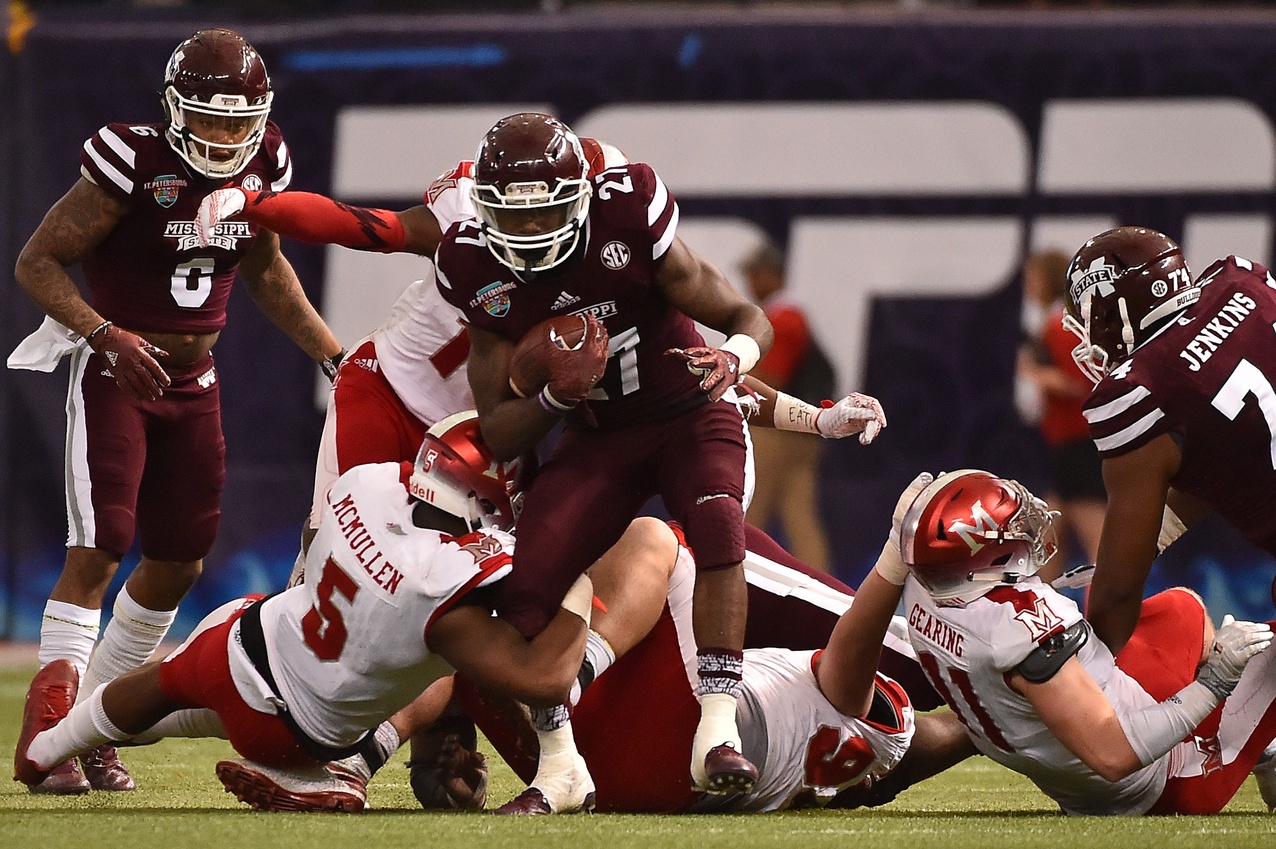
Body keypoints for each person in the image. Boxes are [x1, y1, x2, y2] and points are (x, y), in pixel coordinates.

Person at [7, 28, 344, 794]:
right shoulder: (131, 159)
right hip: (115, 372)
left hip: (196, 380)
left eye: (238, 120)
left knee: (180, 559)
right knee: (100, 546)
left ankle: (93, 719)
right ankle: (49, 725)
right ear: (174, 109)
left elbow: (263, 264)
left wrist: (331, 352)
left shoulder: (267, 162)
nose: (226, 137)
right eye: (210, 118)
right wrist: (104, 332)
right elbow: (37, 260)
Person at [432, 111, 777, 806]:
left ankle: (717, 728)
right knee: (530, 577)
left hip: (687, 412)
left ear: (582, 197)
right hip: (600, 437)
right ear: (485, 209)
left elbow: (748, 319)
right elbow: (499, 430)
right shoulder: (472, 263)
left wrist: (733, 360)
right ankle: (561, 767)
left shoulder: (627, 213)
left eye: (546, 214)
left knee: (717, 521)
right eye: (512, 217)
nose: (528, 234)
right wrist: (560, 399)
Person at [13, 412, 594, 813]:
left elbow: (320, 533)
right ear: (479, 498)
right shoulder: (439, 579)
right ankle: (343, 772)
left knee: (164, 687)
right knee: (446, 656)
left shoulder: (370, 484)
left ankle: (46, 750)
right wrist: (575, 574)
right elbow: (543, 678)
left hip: (242, 641)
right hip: (301, 737)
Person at [194, 135, 629, 575]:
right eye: (524, 207)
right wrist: (256, 203)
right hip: (387, 389)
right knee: (338, 550)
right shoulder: (466, 220)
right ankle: (294, 632)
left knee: (459, 574)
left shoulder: (614, 262)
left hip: (482, 433)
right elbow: (364, 225)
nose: (536, 223)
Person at [893, 468, 1276, 815]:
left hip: (1062, 758)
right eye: (1014, 528)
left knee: (1180, 610)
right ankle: (1265, 749)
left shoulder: (924, 587)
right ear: (982, 555)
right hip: (1160, 781)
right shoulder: (1020, 630)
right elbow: (1113, 756)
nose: (1028, 528)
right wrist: (1215, 683)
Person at [1062, 226, 1276, 652]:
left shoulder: (1142, 390)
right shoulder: (1244, 281)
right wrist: (1158, 531)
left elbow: (1117, 596)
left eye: (1090, 318)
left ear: (1113, 312)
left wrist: (1077, 686)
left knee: (1232, 715)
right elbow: (1233, 446)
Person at [739, 240, 846, 573]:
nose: (750, 283)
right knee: (800, 517)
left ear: (772, 275)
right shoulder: (790, 315)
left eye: (756, 274)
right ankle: (825, 587)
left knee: (748, 512)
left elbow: (772, 378)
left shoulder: (783, 318)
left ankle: (741, 581)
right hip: (805, 435)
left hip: (778, 432)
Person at [1013, 248, 1105, 575]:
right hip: (1066, 449)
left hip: (1077, 446)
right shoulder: (1057, 324)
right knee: (1050, 542)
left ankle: (1115, 620)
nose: (1027, 286)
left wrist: (1035, 374)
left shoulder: (1059, 326)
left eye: (1033, 278)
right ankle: (1042, 613)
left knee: (1098, 545)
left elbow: (1081, 383)